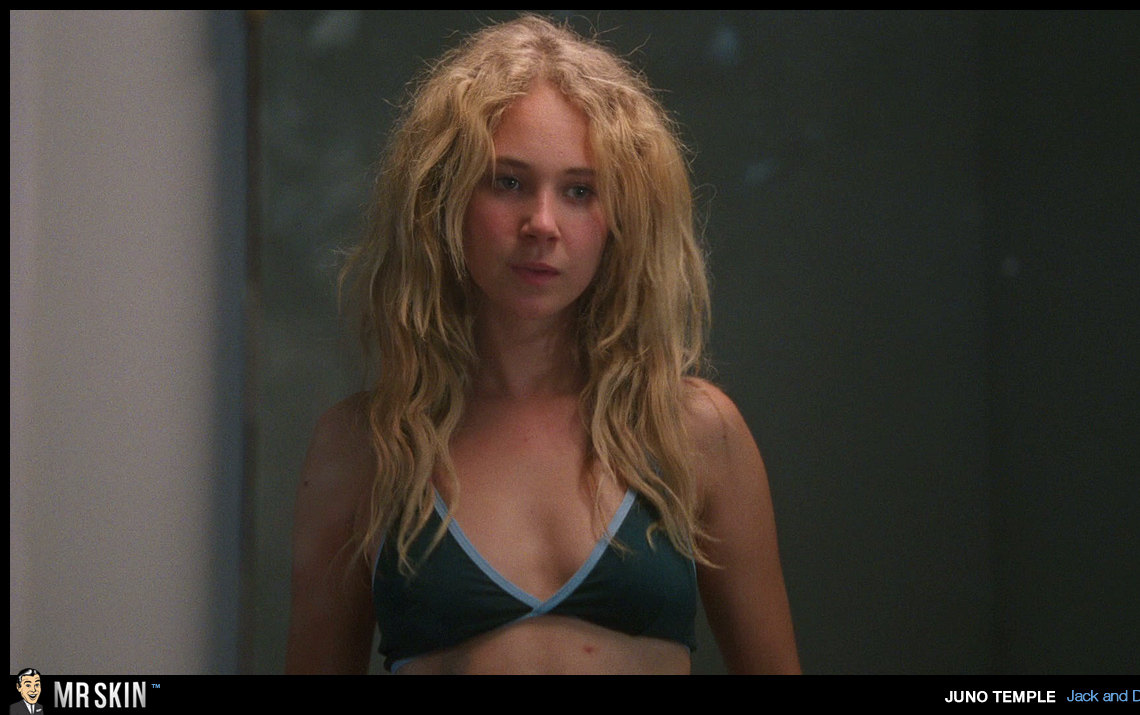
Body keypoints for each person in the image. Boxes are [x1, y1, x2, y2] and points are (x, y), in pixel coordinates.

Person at [285, 14, 799, 674]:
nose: (543, 224)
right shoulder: (365, 446)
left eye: (580, 191)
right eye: (509, 182)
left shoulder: (692, 432)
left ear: (620, 218)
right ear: (445, 199)